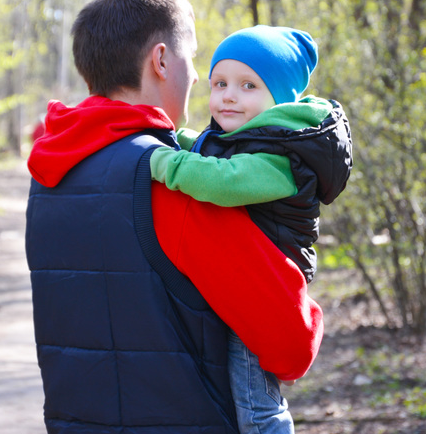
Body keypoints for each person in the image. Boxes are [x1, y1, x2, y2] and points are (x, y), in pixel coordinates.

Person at [25, 0, 324, 434]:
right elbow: (289, 345)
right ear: (161, 60)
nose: (199, 78)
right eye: (193, 58)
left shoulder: (49, 175)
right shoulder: (174, 179)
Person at [148, 25, 353, 433]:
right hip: (245, 279)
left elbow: (226, 181)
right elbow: (207, 147)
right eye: (220, 83)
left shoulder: (282, 158)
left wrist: (161, 162)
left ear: (279, 99)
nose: (228, 95)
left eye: (247, 86)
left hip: (268, 292)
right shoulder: (245, 137)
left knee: (257, 403)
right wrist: (172, 138)